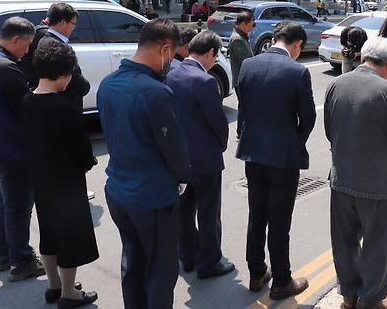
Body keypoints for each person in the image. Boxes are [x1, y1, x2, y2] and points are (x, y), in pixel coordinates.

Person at [97, 18, 190, 309]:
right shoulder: (156, 93)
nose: (171, 63)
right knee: (161, 271)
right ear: (164, 49)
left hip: (118, 191)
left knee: (133, 263)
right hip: (152, 197)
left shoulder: (108, 84)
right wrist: (183, 177)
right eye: (173, 56)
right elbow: (174, 150)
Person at [324, 37, 387, 309]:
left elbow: (330, 130)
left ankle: (349, 296)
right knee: (378, 243)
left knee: (344, 241)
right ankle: (372, 299)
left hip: (340, 179)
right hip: (376, 183)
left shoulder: (335, 84)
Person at [236, 21, 316, 299]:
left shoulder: (248, 65)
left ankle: (256, 273)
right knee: (280, 220)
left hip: (252, 153)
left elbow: (243, 109)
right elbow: (308, 119)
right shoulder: (298, 71)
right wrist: (294, 141)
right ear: (297, 45)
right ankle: (281, 280)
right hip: (282, 158)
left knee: (256, 215)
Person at [21, 39, 99, 308]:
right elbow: (81, 151)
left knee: (49, 234)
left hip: (41, 179)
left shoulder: (27, 100)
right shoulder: (63, 108)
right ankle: (69, 293)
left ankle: (54, 286)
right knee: (71, 238)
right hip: (67, 181)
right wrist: (88, 163)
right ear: (66, 74)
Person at [165, 31, 235, 279]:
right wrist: (222, 145)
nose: (215, 63)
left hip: (179, 159)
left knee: (184, 212)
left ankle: (188, 256)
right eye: (215, 58)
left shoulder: (171, 74)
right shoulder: (205, 81)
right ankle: (209, 262)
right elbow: (218, 122)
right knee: (208, 213)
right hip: (205, 159)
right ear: (209, 53)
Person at [0, 17, 45, 282]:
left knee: (5, 203)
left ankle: (3, 255)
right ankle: (22, 260)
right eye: (26, 46)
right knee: (18, 206)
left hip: (0, 149)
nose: (27, 52)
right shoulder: (7, 69)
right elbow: (27, 110)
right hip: (14, 149)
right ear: (15, 40)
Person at [19, 2, 90, 112]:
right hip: (63, 107)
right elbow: (78, 82)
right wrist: (85, 88)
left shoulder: (41, 39)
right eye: (73, 23)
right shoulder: (58, 47)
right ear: (62, 22)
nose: (74, 27)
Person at [228, 10, 255, 140]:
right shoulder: (237, 39)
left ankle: (242, 131)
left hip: (243, 79)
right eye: (251, 23)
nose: (253, 26)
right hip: (242, 80)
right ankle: (242, 132)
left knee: (244, 106)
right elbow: (247, 61)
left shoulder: (242, 35)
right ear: (243, 23)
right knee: (245, 107)